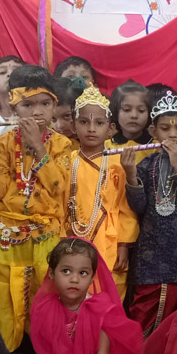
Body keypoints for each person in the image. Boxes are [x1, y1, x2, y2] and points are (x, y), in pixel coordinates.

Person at [0, 65, 73, 351]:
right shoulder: (4, 143)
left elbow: (58, 187)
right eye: (28, 105)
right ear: (13, 106)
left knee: (45, 297)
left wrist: (38, 148)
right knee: (4, 301)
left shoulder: (62, 144)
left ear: (54, 105)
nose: (37, 112)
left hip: (46, 237)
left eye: (45, 103)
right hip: (8, 236)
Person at [123, 90, 177, 336]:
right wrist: (130, 175)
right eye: (165, 128)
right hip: (151, 259)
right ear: (153, 132)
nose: (172, 134)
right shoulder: (145, 165)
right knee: (146, 322)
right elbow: (138, 207)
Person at [65, 85, 137, 298]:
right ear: (73, 125)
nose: (91, 129)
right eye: (84, 122)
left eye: (99, 123)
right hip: (73, 236)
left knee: (108, 295)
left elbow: (126, 207)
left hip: (110, 241)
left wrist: (123, 245)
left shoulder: (117, 163)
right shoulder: (67, 162)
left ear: (111, 128)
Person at [106, 79, 154, 164]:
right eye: (127, 109)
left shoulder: (155, 147)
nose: (134, 115)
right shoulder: (107, 146)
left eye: (141, 110)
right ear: (116, 111)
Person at [51, 77, 86, 149]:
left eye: (67, 116)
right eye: (53, 119)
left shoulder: (100, 140)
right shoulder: (47, 141)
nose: (59, 126)